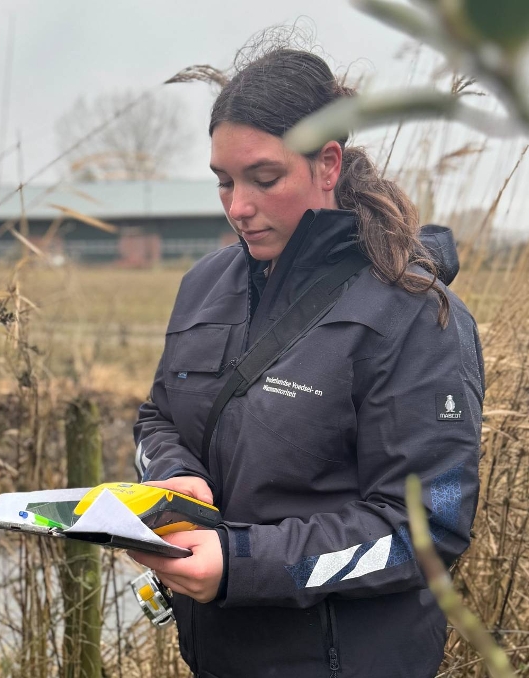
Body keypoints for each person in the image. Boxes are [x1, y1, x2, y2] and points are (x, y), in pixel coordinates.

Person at [128, 46, 484, 678]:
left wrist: (240, 564)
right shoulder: (204, 285)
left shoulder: (412, 314)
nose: (238, 206)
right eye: (223, 180)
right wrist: (176, 475)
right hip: (217, 655)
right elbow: (158, 417)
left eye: (264, 179)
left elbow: (426, 530)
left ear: (327, 164)